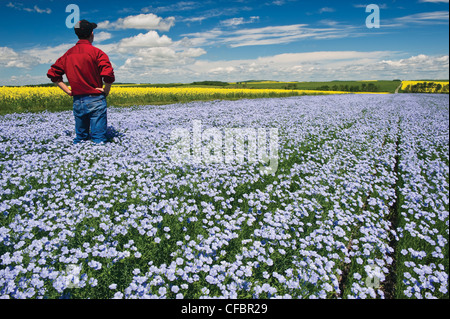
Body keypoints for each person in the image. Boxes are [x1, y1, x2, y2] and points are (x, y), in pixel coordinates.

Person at [47, 20, 115, 144]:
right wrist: (106, 89)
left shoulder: (68, 54)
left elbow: (53, 73)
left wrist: (68, 91)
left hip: (78, 100)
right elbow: (108, 73)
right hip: (96, 99)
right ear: (92, 33)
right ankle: (96, 160)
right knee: (99, 139)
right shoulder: (97, 52)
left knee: (81, 138)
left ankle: (77, 159)